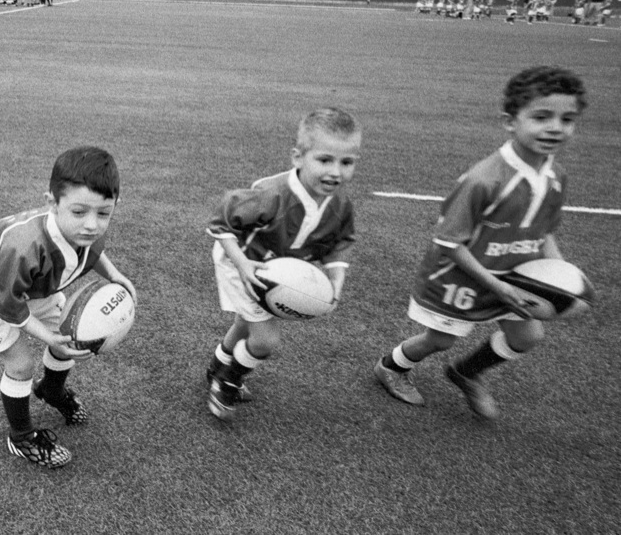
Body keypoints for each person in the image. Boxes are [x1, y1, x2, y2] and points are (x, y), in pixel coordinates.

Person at [374, 66, 587, 419]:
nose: (554, 127)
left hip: (517, 277)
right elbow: (449, 244)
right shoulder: (483, 180)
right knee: (440, 340)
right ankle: (391, 367)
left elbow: (545, 231)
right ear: (510, 122)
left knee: (527, 336)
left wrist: (563, 285)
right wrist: (496, 286)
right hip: (459, 278)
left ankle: (467, 372)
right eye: (541, 117)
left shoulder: (556, 176)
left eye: (567, 119)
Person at [0, 146, 136, 468]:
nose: (92, 224)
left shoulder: (85, 230)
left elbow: (94, 250)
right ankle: (21, 437)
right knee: (21, 361)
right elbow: (7, 304)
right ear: (52, 203)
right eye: (79, 212)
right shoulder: (24, 247)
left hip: (29, 283)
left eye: (103, 213)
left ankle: (50, 389)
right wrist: (46, 337)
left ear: (114, 205)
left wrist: (115, 275)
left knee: (69, 334)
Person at [204, 108, 359, 421]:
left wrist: (336, 279)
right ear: (298, 157)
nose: (335, 172)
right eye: (325, 159)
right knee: (265, 339)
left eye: (347, 162)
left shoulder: (340, 204)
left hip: (276, 270)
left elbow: (340, 243)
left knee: (246, 324)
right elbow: (221, 224)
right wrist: (243, 265)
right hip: (242, 266)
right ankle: (228, 382)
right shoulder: (271, 194)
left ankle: (216, 368)